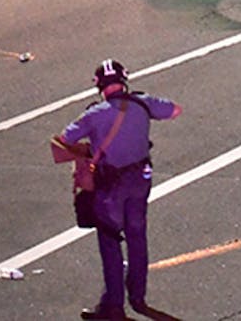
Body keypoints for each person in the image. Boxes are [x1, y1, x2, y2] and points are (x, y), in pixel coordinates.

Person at [62, 60, 181, 320]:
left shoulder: (95, 113)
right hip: (140, 179)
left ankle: (113, 305)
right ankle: (138, 296)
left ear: (99, 86)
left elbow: (65, 139)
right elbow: (174, 110)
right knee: (137, 237)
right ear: (124, 80)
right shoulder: (142, 103)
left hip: (110, 186)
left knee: (110, 240)